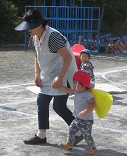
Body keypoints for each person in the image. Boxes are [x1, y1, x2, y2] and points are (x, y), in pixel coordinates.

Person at [15, 9, 81, 145]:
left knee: (59, 106)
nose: (28, 30)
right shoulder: (34, 36)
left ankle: (79, 132)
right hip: (48, 73)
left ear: (39, 24)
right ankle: (41, 135)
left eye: (30, 27)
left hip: (65, 72)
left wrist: (60, 77)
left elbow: (68, 58)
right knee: (42, 102)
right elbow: (36, 55)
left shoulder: (53, 36)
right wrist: (37, 73)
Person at [58, 71, 98, 155]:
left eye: (74, 82)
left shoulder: (88, 94)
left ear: (82, 84)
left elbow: (93, 104)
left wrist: (86, 110)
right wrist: (60, 86)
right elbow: (68, 90)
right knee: (71, 130)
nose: (73, 83)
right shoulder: (77, 92)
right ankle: (69, 144)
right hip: (77, 119)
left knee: (87, 135)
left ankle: (93, 149)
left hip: (86, 121)